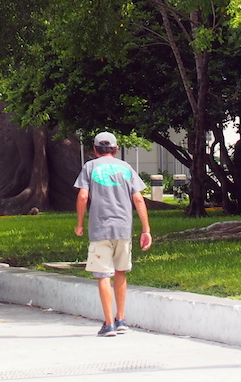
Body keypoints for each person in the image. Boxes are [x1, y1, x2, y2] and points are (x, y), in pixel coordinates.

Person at [74, 131, 152, 337]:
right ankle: (121, 319)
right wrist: (146, 230)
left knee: (103, 275)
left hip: (100, 229)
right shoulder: (126, 168)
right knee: (120, 272)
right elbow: (138, 200)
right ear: (116, 149)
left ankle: (108, 324)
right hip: (123, 228)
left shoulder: (89, 167)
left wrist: (79, 223)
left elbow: (83, 196)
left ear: (94, 150)